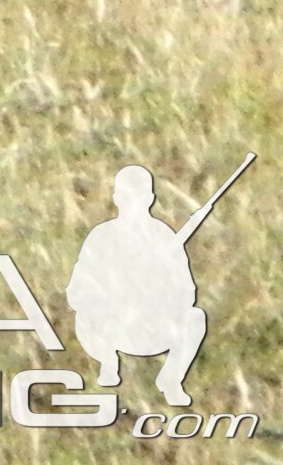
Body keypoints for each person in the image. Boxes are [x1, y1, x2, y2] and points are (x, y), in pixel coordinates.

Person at [66, 163, 210, 408]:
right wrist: (111, 293)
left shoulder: (164, 237)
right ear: (116, 198)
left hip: (151, 327)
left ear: (150, 199)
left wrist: (160, 286)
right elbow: (76, 292)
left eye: (139, 197)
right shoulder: (101, 237)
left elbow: (187, 293)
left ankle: (171, 379)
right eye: (126, 197)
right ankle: (109, 363)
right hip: (109, 330)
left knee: (195, 319)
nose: (133, 204)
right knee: (89, 317)